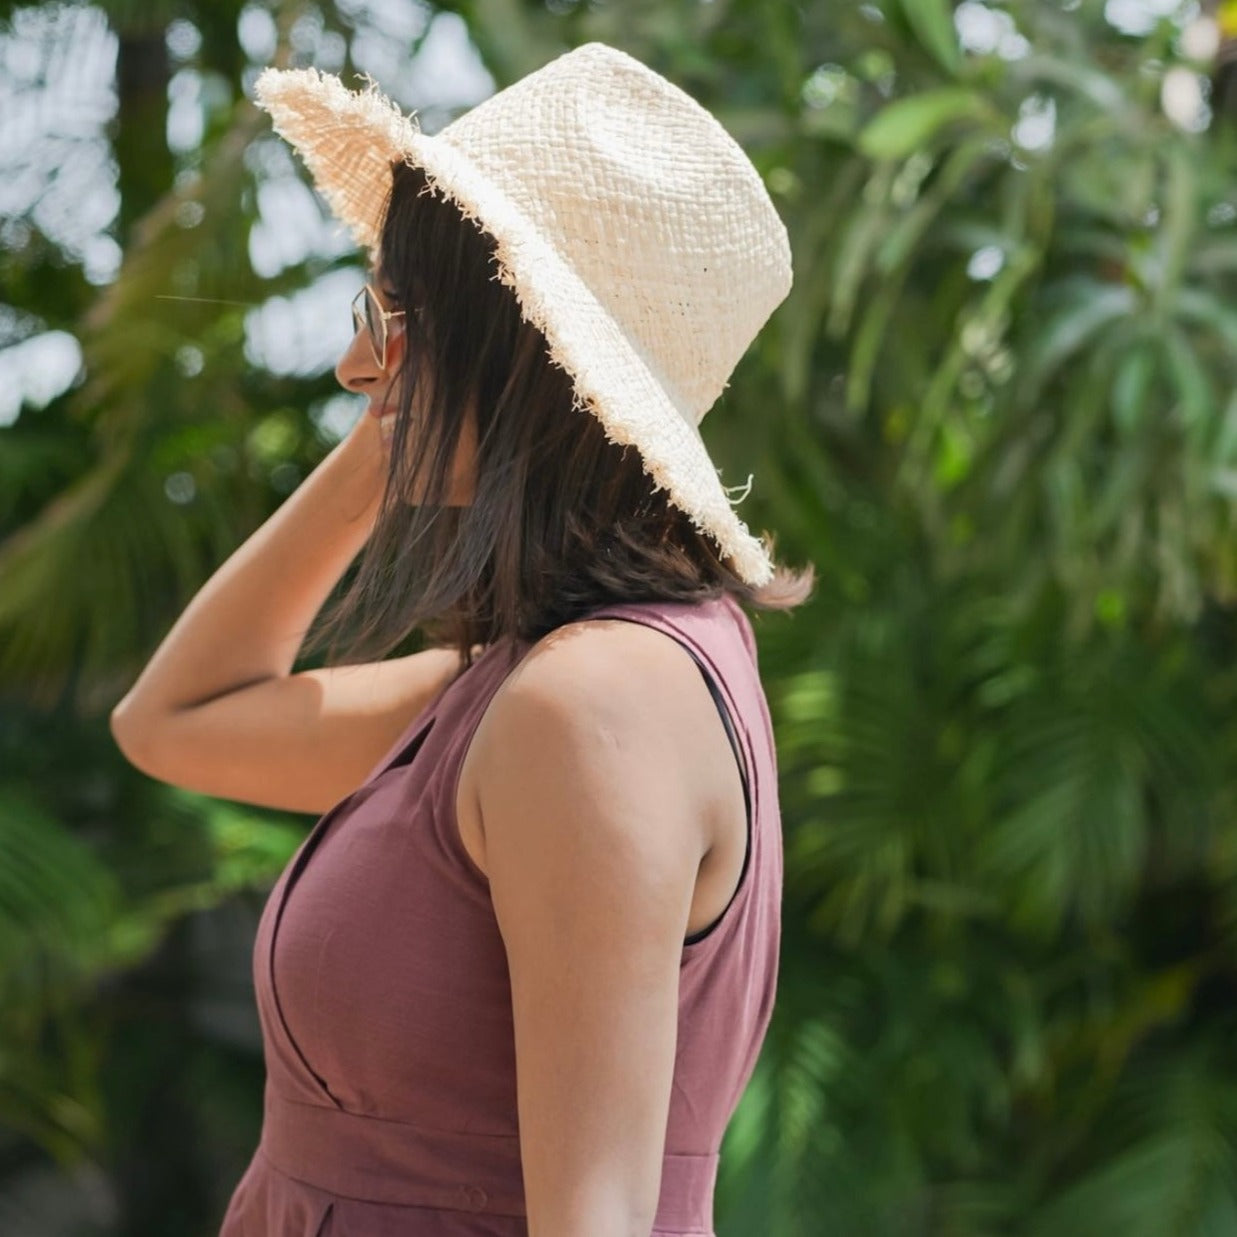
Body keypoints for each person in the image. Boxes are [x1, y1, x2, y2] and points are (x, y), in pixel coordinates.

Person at [111, 40, 813, 1237]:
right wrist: (400, 424)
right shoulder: (540, 680)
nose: (351, 367)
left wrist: (434, 398)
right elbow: (174, 722)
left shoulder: (590, 707)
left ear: (518, 355)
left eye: (390, 317)